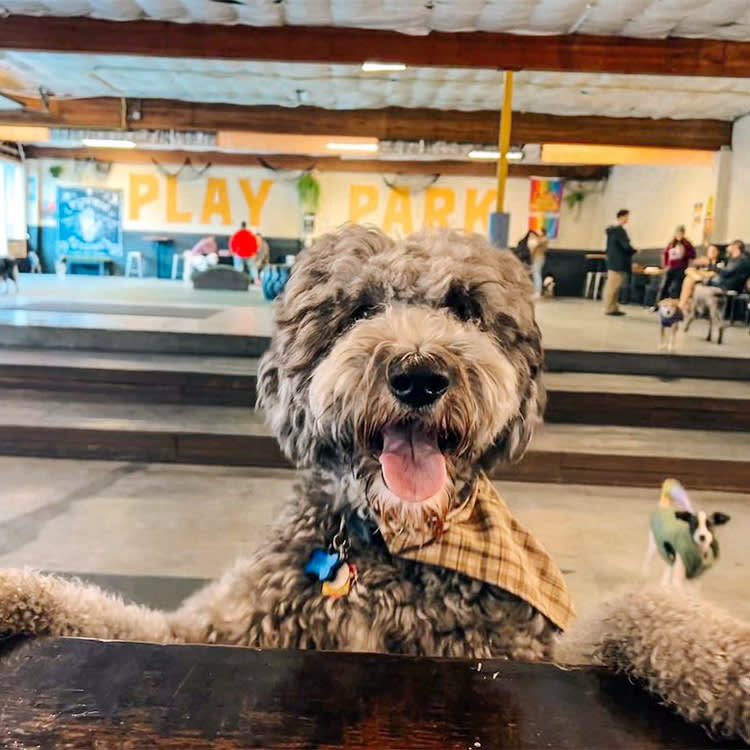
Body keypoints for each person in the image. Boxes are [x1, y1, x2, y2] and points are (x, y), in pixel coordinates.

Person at [603, 209, 636, 316]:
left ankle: (613, 307)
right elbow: (625, 245)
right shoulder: (619, 230)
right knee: (613, 286)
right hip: (618, 262)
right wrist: (634, 251)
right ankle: (609, 308)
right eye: (626, 217)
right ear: (621, 217)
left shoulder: (611, 230)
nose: (627, 219)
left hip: (612, 261)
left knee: (613, 286)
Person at [655, 225, 695, 306]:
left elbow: (693, 255)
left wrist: (685, 252)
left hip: (681, 268)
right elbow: (665, 254)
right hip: (671, 268)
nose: (679, 235)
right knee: (664, 286)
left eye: (681, 233)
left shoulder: (687, 244)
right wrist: (666, 265)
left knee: (677, 287)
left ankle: (675, 305)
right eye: (678, 233)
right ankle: (658, 304)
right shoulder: (671, 243)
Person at [678, 243, 722, 312]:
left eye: (713, 250)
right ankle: (683, 305)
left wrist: (707, 266)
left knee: (689, 279)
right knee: (689, 274)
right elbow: (689, 270)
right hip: (698, 280)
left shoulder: (720, 262)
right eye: (710, 251)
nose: (712, 253)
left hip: (709, 281)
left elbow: (716, 272)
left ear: (717, 252)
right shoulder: (703, 260)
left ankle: (681, 305)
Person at [530, 227, 549, 298]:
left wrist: (534, 236)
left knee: (537, 274)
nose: (537, 232)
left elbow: (536, 243)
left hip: (539, 259)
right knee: (535, 274)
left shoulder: (544, 239)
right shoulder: (540, 239)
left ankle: (538, 291)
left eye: (539, 231)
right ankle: (535, 290)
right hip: (535, 258)